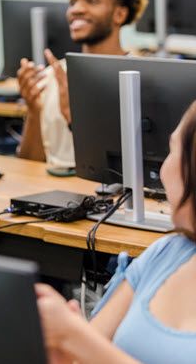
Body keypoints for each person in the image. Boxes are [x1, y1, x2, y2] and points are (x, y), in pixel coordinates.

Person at [36, 100, 196, 364]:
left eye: (172, 150)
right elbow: (82, 355)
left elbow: (86, 345)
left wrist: (74, 336)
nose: (162, 172)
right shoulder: (166, 253)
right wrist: (63, 343)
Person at [18, 0, 148, 168]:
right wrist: (34, 111)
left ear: (119, 14)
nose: (76, 9)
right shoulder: (52, 76)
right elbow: (28, 167)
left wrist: (74, 119)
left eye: (92, 0)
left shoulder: (136, 83)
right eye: (72, 1)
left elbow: (128, 174)